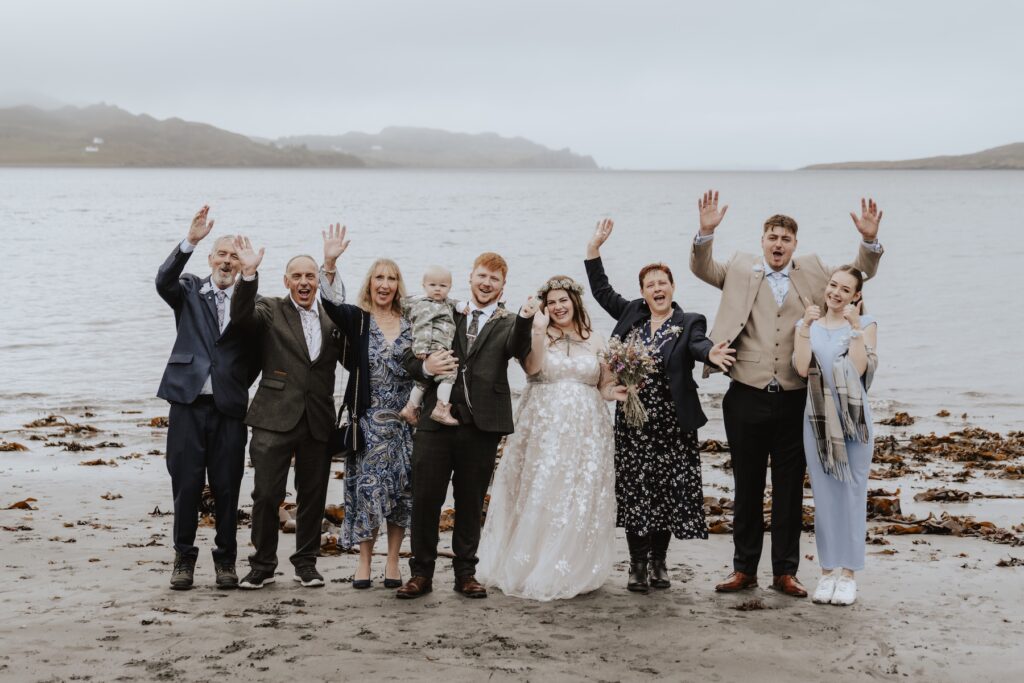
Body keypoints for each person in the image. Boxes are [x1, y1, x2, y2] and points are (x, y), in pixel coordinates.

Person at [690, 190, 884, 598]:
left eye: (786, 239)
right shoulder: (740, 267)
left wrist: (868, 242)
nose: (778, 244)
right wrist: (706, 232)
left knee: (790, 487)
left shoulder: (813, 270)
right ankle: (743, 569)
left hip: (796, 397)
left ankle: (786, 572)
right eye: (772, 237)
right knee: (745, 484)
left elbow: (855, 275)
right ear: (763, 240)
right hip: (745, 392)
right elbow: (703, 267)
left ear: (795, 244)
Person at [585, 219, 735, 593]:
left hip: (672, 424)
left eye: (662, 282)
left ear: (672, 287)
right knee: (635, 491)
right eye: (650, 284)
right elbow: (602, 291)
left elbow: (700, 345)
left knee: (666, 492)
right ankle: (636, 565)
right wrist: (593, 251)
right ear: (643, 292)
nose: (657, 288)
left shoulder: (689, 322)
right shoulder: (632, 314)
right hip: (633, 423)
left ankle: (659, 563)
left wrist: (712, 355)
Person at [477, 275, 627, 601]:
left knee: (578, 493)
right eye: (553, 302)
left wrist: (616, 391)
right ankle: (531, 562)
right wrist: (539, 330)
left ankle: (572, 563)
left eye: (564, 300)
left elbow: (603, 385)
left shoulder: (596, 338)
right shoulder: (537, 333)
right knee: (542, 489)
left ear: (575, 301)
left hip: (588, 430)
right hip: (544, 427)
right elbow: (531, 370)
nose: (559, 307)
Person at [396, 252, 533, 600]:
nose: (486, 284)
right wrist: (426, 368)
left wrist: (528, 320)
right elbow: (410, 354)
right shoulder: (444, 309)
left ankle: (466, 573)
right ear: (470, 277)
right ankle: (421, 574)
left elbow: (520, 348)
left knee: (471, 502)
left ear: (503, 286)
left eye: (494, 280)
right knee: (426, 499)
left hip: (481, 424)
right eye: (482, 276)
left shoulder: (509, 322)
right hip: (434, 422)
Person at [229, 233, 347, 590]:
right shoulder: (269, 309)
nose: (304, 282)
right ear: (286, 281)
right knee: (266, 494)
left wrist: (331, 267)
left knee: (313, 495)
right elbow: (241, 318)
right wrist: (248, 276)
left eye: (310, 276)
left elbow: (354, 358)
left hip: (317, 419)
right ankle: (262, 565)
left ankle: (306, 563)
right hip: (273, 416)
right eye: (297, 276)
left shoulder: (333, 318)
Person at [155, 205, 258, 590]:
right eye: (221, 254)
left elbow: (257, 358)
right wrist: (190, 242)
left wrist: (233, 382)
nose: (227, 261)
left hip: (228, 408)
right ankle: (183, 559)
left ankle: (225, 561)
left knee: (228, 486)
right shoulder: (187, 291)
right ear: (211, 258)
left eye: (234, 256)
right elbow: (162, 280)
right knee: (185, 484)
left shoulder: (250, 302)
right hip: (187, 403)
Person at [317, 225, 415, 590]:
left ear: (398, 285)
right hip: (368, 423)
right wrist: (329, 261)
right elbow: (327, 303)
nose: (385, 284)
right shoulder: (358, 319)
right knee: (367, 492)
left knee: (402, 494)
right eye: (379, 278)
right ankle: (363, 561)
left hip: (406, 423)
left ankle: (392, 561)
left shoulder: (412, 322)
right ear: (370, 284)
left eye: (391, 278)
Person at [793, 266, 878, 606]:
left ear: (856, 296)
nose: (836, 293)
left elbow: (859, 370)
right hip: (816, 420)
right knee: (825, 496)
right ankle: (828, 571)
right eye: (832, 285)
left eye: (846, 289)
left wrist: (856, 330)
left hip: (854, 420)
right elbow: (801, 369)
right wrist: (803, 327)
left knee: (853, 493)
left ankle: (849, 574)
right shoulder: (808, 327)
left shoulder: (866, 324)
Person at [398, 265, 463, 427]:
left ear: (449, 287)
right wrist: (421, 348)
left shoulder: (444, 303)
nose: (437, 289)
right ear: (424, 285)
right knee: (449, 373)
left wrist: (461, 306)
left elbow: (453, 303)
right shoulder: (426, 305)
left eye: (443, 286)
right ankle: (441, 408)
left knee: (422, 382)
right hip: (433, 347)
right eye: (432, 285)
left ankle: (410, 408)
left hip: (436, 346)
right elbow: (421, 326)